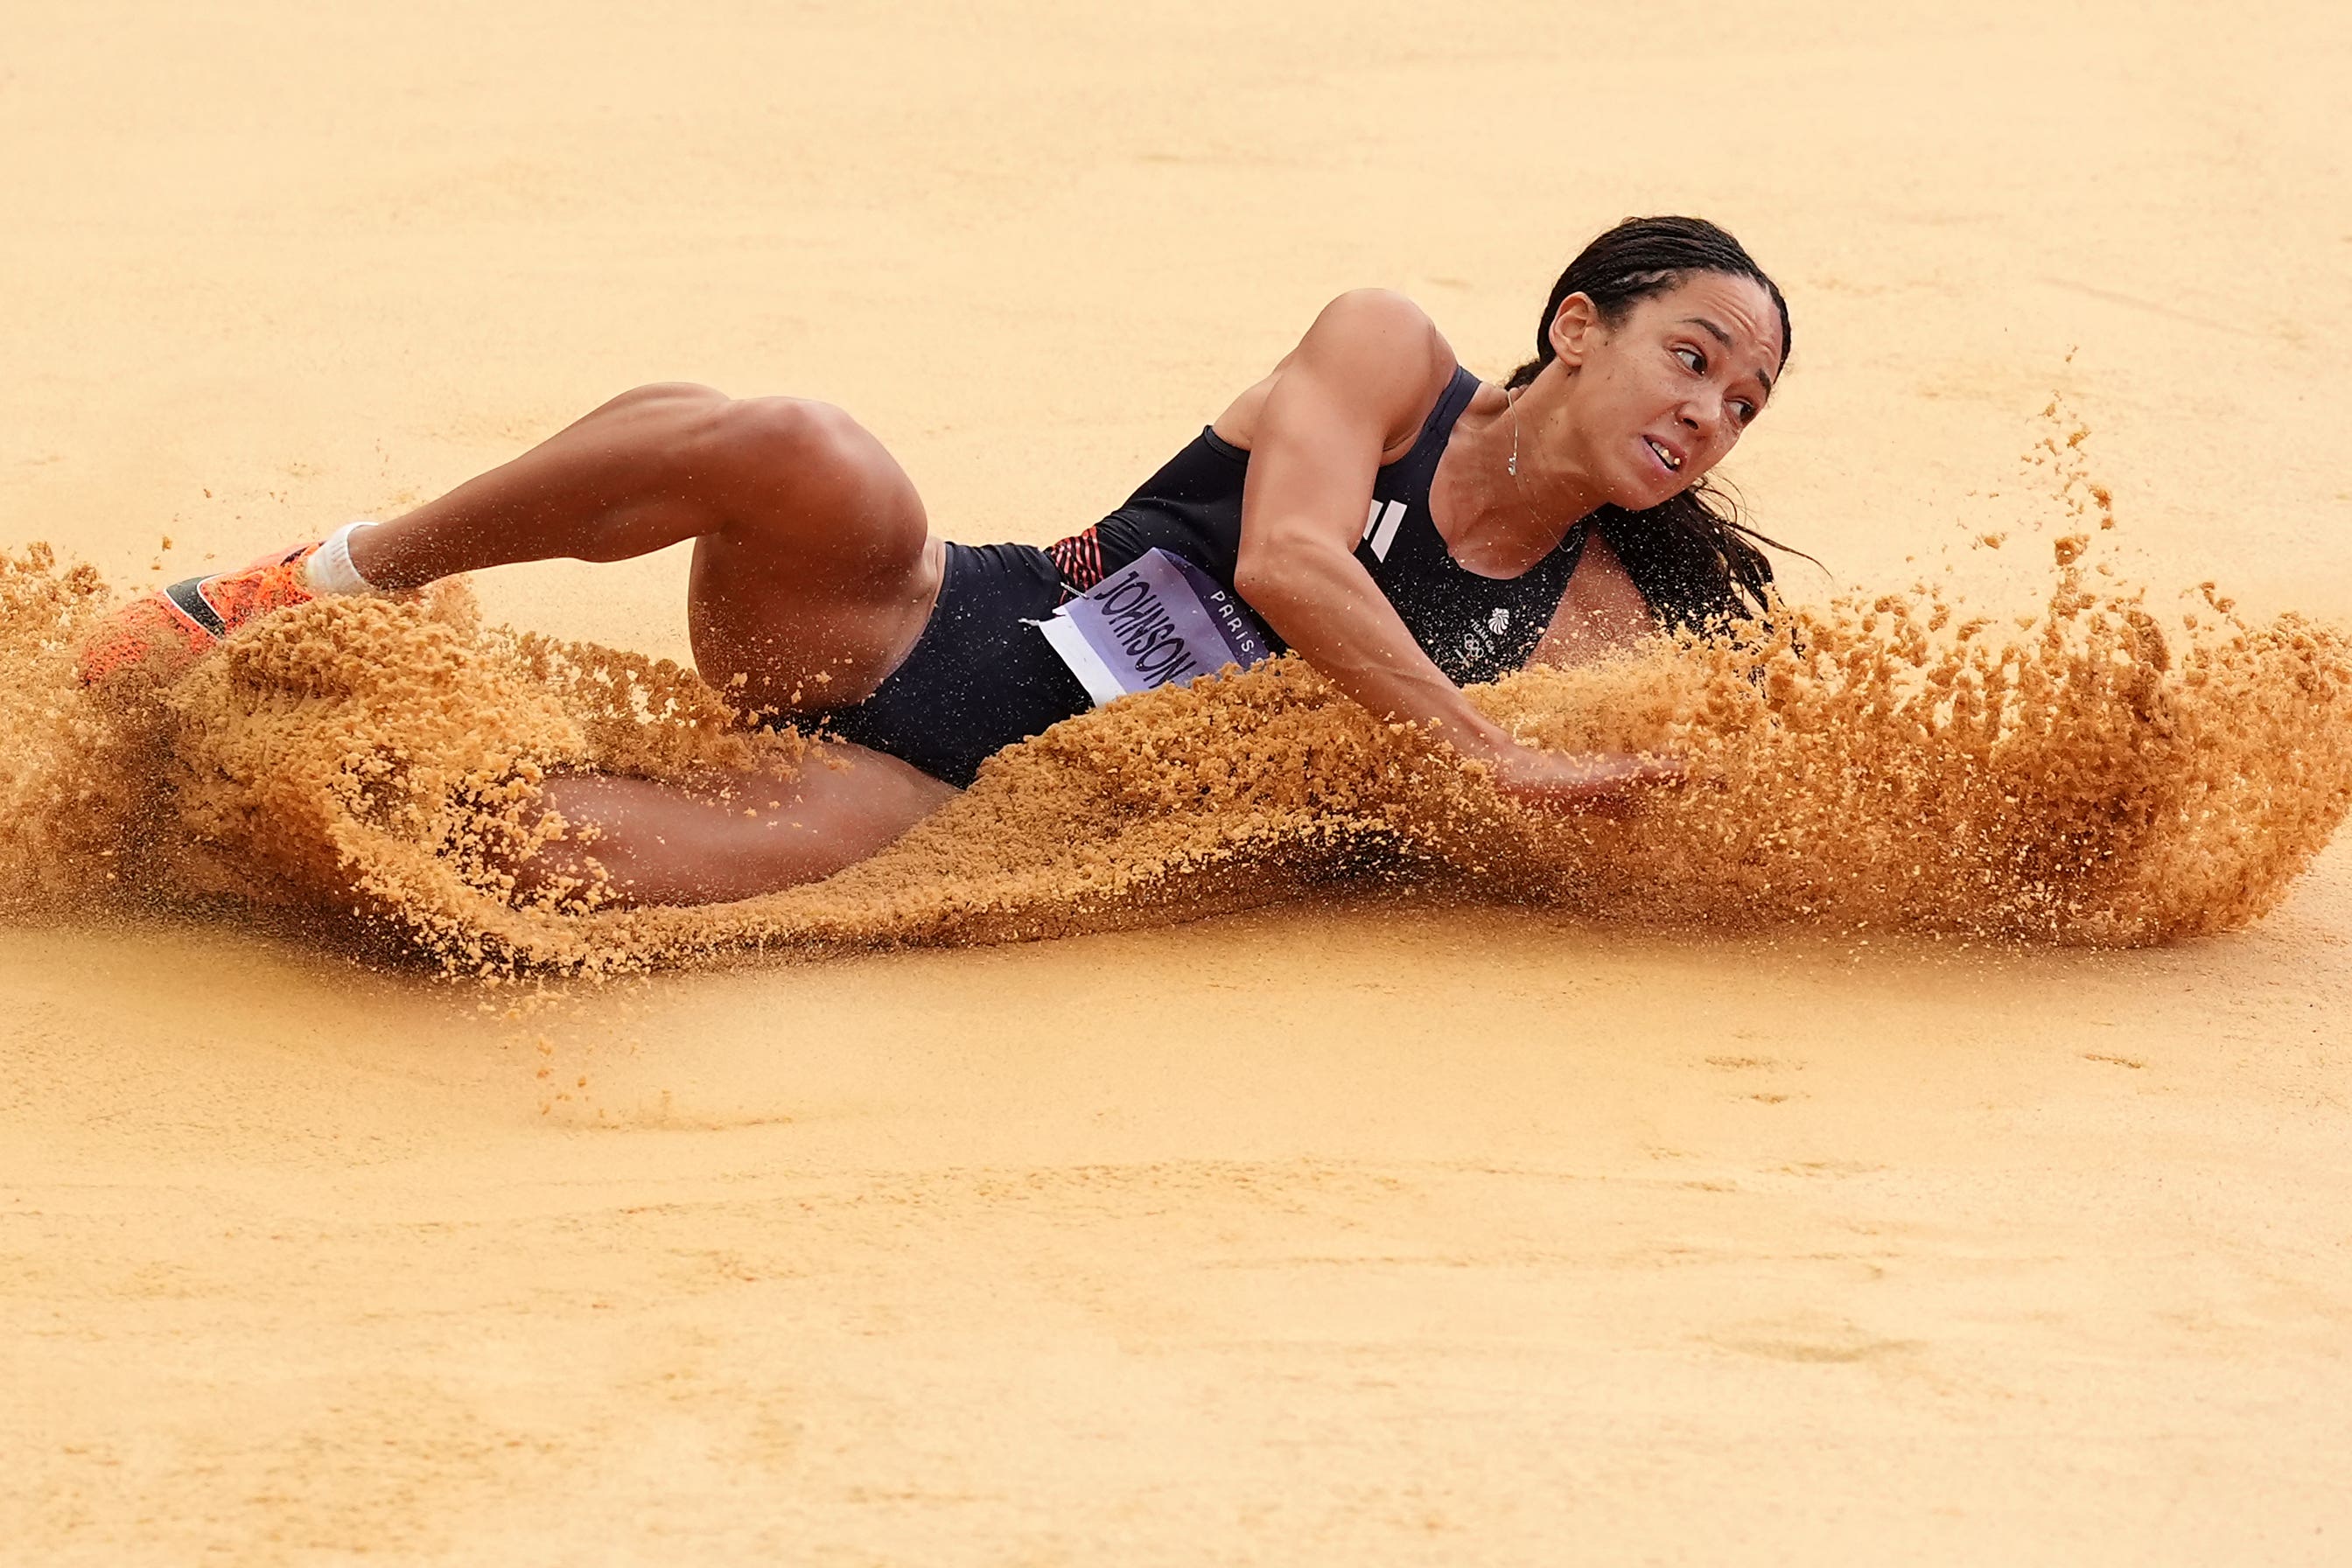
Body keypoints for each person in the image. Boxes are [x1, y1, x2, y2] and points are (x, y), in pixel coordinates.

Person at [80, 215, 1792, 906]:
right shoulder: (1384, 354)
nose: (1711, 409)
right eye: (1695, 353)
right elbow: (1284, 559)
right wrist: (1484, 740)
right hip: (913, 625)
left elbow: (1558, 811)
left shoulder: (1595, 608)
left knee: (514, 859)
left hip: (943, 802)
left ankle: (153, 811)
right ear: (1580, 323)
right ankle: (321, 579)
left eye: (1744, 401)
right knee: (789, 440)